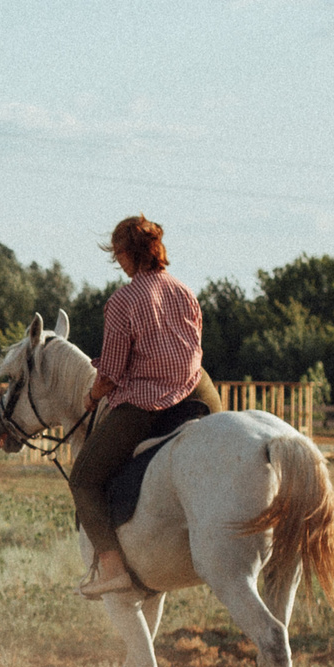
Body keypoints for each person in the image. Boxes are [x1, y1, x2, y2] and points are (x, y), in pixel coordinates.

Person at [71, 216, 224, 597]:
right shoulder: (185, 292)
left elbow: (110, 375)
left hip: (148, 399)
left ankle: (111, 569)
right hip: (197, 391)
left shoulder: (123, 301)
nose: (117, 263)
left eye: (117, 255)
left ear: (127, 254)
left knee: (84, 480)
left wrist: (91, 399)